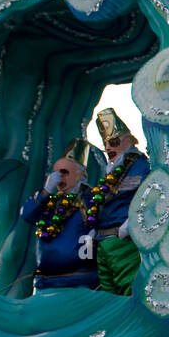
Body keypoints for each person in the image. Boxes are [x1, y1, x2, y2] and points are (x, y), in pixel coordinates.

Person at [21, 138, 101, 291]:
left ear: (81, 175)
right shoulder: (49, 202)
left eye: (64, 173)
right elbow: (26, 215)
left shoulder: (92, 199)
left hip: (82, 281)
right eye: (56, 173)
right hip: (46, 282)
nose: (59, 178)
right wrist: (45, 191)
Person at [89, 109, 150, 295]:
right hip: (103, 244)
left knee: (129, 290)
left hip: (124, 243)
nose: (108, 148)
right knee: (109, 298)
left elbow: (151, 194)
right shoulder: (111, 174)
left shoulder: (141, 166)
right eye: (106, 144)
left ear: (130, 141)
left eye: (114, 142)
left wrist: (132, 223)